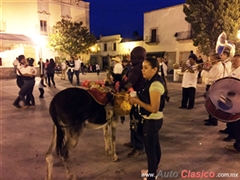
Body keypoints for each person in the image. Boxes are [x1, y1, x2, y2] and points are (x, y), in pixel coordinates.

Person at [129, 57, 165, 180]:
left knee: (150, 151)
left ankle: (151, 176)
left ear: (154, 69)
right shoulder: (150, 80)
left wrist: (137, 101)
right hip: (153, 120)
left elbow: (154, 108)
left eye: (146, 68)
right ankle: (153, 172)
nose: (142, 70)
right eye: (142, 67)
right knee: (155, 146)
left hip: (152, 120)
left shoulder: (155, 85)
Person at [121, 46, 146, 158]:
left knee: (136, 122)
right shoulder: (140, 66)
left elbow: (130, 82)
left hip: (137, 97)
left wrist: (120, 87)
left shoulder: (137, 68)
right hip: (138, 96)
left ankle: (138, 147)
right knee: (133, 121)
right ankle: (134, 142)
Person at [201, 53, 224, 126]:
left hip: (213, 86)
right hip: (212, 85)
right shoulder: (216, 66)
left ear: (215, 59)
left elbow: (210, 75)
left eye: (212, 59)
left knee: (212, 103)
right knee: (210, 103)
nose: (210, 60)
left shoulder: (217, 67)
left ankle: (213, 120)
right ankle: (211, 117)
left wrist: (203, 70)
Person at [225, 54, 240, 152]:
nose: (233, 62)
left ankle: (238, 145)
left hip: (238, 100)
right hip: (234, 99)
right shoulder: (234, 70)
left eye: (236, 61)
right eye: (233, 60)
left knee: (238, 123)